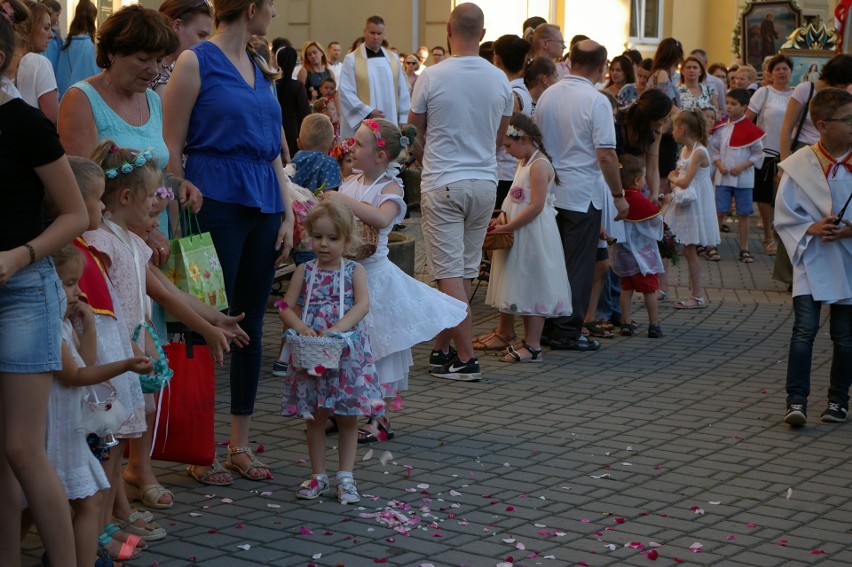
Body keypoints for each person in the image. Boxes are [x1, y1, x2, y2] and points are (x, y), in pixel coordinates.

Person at [163, 0, 295, 484]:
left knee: (251, 325)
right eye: (272, 6)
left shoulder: (262, 65)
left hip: (262, 200)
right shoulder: (195, 60)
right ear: (253, 7)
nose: (275, 15)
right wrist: (178, 192)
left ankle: (239, 443)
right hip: (212, 199)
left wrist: (285, 213)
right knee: (203, 321)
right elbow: (170, 141)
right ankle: (199, 446)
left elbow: (273, 151)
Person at [0, 12, 89, 564]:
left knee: (22, 448)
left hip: (22, 291)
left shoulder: (24, 123)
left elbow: (77, 213)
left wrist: (20, 255)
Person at [327, 117, 466, 439]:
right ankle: (342, 410)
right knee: (346, 346)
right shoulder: (351, 181)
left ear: (380, 156)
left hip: (375, 280)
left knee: (379, 348)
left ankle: (378, 417)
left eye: (359, 144)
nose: (352, 147)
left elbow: (380, 217)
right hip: (346, 278)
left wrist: (342, 200)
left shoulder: (390, 187)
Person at [408, 2, 513, 380]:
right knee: (463, 270)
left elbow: (412, 131)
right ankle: (443, 347)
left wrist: (423, 158)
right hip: (485, 182)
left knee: (447, 272)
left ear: (448, 32)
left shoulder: (432, 76)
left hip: (444, 182)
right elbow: (500, 139)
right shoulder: (499, 78)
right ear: (483, 35)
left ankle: (465, 358)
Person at [65, 156, 153, 559]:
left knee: (111, 454)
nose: (101, 207)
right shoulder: (77, 254)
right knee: (99, 458)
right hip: (98, 374)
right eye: (96, 200)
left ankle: (101, 529)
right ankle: (94, 535)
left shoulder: (89, 251)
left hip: (114, 366)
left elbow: (113, 315)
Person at [46, 244, 153, 566]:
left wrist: (89, 325)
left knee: (82, 502)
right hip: (57, 434)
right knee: (81, 503)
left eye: (77, 283)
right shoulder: (51, 328)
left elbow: (87, 359)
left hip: (70, 432)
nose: (78, 292)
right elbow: (76, 375)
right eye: (68, 284)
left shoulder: (64, 324)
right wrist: (125, 365)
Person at [278, 200, 381, 504]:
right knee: (315, 416)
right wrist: (299, 326)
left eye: (333, 238)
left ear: (347, 240)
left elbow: (362, 305)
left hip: (345, 351)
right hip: (312, 350)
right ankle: (318, 474)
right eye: (318, 237)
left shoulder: (354, 270)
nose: (324, 244)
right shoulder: (304, 270)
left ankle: (346, 477)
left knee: (348, 416)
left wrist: (337, 329)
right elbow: (284, 305)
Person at [534, 39, 628, 351]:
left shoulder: (549, 94)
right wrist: (618, 194)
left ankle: (547, 325)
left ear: (569, 60)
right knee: (578, 265)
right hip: (580, 193)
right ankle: (567, 330)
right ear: (602, 67)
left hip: (549, 191)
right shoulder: (596, 100)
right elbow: (605, 155)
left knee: (552, 261)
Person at [776, 88, 852, 426]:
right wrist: (812, 227)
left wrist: (849, 230)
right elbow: (784, 213)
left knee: (845, 335)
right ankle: (796, 400)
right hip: (811, 257)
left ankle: (838, 400)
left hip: (848, 259)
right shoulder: (799, 164)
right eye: (847, 120)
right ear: (822, 125)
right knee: (804, 330)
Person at [482, 113, 571, 361]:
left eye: (509, 146)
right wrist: (500, 219)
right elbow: (514, 199)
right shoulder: (524, 162)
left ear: (524, 138)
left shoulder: (539, 165)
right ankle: (526, 340)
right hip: (520, 231)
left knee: (535, 282)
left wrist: (508, 228)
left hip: (533, 234)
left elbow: (536, 206)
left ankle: (534, 346)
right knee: (522, 283)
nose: (508, 152)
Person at [665, 108, 720, 309]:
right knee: (677, 245)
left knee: (690, 250)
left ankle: (696, 296)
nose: (671, 132)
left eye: (673, 128)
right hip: (684, 203)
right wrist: (675, 180)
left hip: (695, 205)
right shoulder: (686, 150)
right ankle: (667, 289)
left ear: (682, 129)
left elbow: (684, 181)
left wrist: (672, 179)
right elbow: (679, 179)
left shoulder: (699, 152)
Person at [612, 154, 666, 338]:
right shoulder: (637, 198)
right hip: (642, 255)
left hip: (624, 254)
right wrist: (666, 205)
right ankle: (654, 324)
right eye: (643, 177)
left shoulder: (618, 198)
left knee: (626, 288)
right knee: (650, 289)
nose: (645, 181)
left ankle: (625, 323)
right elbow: (656, 221)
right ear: (636, 180)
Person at [745, 54, 794, 257]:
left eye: (785, 69)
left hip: (791, 153)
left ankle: (783, 236)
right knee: (765, 197)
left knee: (785, 197)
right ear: (770, 73)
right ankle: (768, 236)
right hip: (767, 152)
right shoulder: (763, 93)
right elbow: (748, 121)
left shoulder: (797, 94)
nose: (782, 72)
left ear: (791, 72)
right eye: (778, 69)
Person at [712, 88, 765, 263]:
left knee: (743, 214)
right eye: (727, 103)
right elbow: (714, 150)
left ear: (744, 107)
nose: (729, 107)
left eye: (733, 104)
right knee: (720, 211)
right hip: (723, 178)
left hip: (744, 180)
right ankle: (712, 245)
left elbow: (758, 154)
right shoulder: (720, 128)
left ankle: (744, 248)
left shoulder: (752, 130)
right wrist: (719, 164)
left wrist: (742, 167)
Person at [338, 15, 410, 138]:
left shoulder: (393, 59)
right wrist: (368, 112)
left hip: (390, 119)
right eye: (372, 33)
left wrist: (403, 118)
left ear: (384, 34)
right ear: (364, 32)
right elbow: (345, 92)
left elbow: (403, 90)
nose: (376, 37)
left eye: (379, 33)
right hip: (365, 121)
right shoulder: (352, 60)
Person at [493, 33, 532, 207]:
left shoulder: (512, 94)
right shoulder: (516, 90)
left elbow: (502, 136)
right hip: (508, 170)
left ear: (497, 59)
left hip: (505, 172)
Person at [152, 0, 214, 96]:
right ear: (177, 26)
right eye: (201, 35)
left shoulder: (176, 68)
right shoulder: (152, 72)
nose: (206, 42)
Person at [15, 1, 59, 122]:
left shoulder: (9, 62)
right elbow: (53, 119)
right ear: (30, 28)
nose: (51, 35)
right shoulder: (39, 62)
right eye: (46, 28)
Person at [55, 0, 99, 97]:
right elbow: (93, 80)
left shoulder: (67, 43)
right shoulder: (88, 47)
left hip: (64, 97)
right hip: (79, 100)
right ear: (92, 20)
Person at [276, 45, 310, 162]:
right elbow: (305, 112)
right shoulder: (297, 86)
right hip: (293, 130)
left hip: (276, 128)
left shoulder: (273, 85)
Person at [691, 48, 726, 113]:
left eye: (697, 61)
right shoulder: (683, 83)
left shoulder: (717, 83)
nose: (694, 65)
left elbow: (723, 109)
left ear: (705, 63)